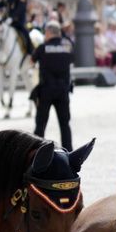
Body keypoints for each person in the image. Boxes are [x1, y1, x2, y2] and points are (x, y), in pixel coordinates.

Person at [31, 19, 74, 150]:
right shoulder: (67, 47)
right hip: (63, 90)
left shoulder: (42, 48)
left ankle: (36, 152)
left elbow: (31, 61)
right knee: (65, 124)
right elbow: (73, 59)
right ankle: (68, 152)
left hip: (46, 91)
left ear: (48, 33)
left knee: (40, 125)